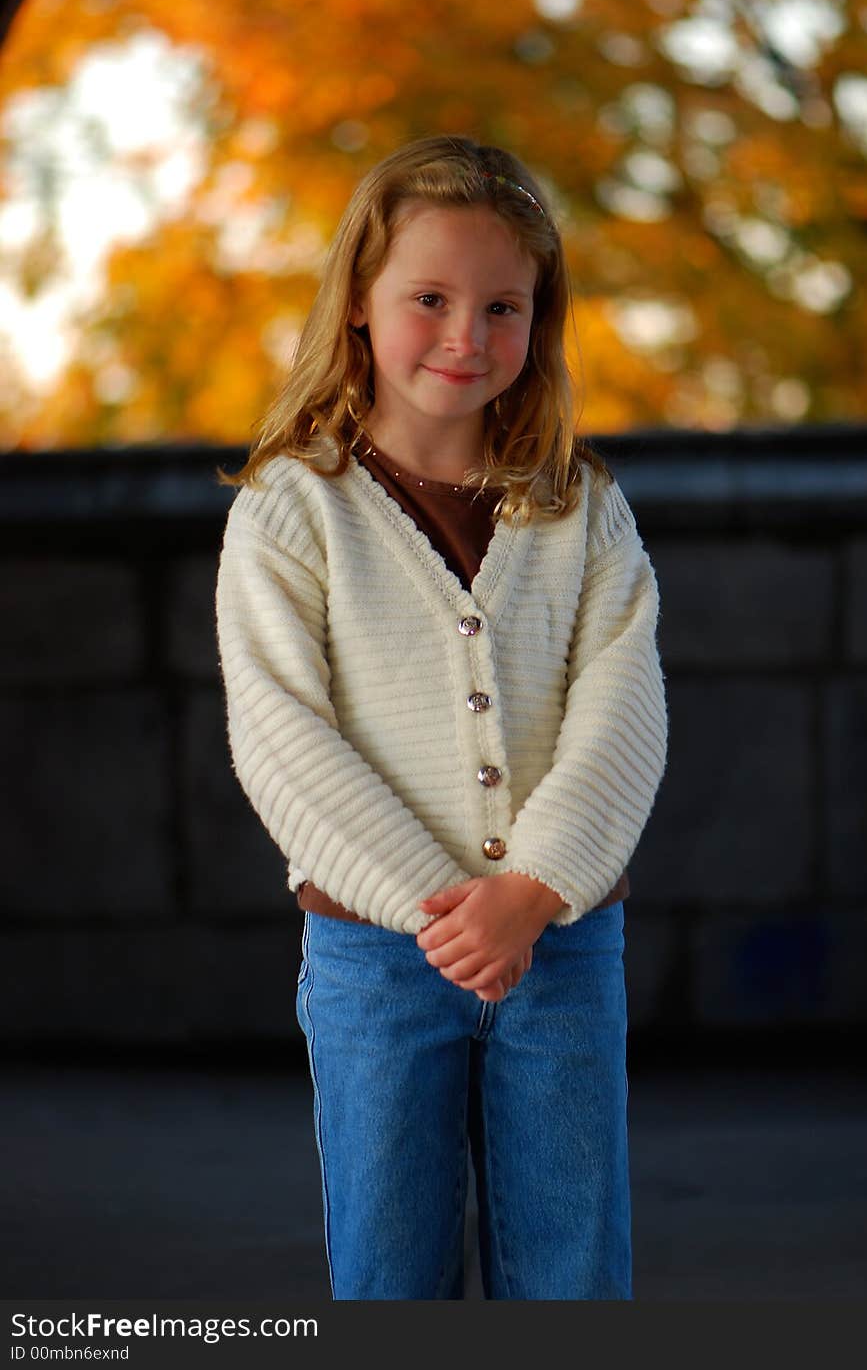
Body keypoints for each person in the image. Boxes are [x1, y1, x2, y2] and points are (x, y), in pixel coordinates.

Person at [215, 134, 668, 1301]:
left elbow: (621, 713)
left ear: (539, 320)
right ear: (360, 305)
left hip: (562, 944)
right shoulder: (290, 508)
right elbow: (282, 735)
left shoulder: (581, 510)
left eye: (502, 306)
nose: (467, 337)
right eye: (429, 298)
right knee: (390, 1272)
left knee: (574, 1267)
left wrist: (530, 892)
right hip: (373, 957)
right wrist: (443, 909)